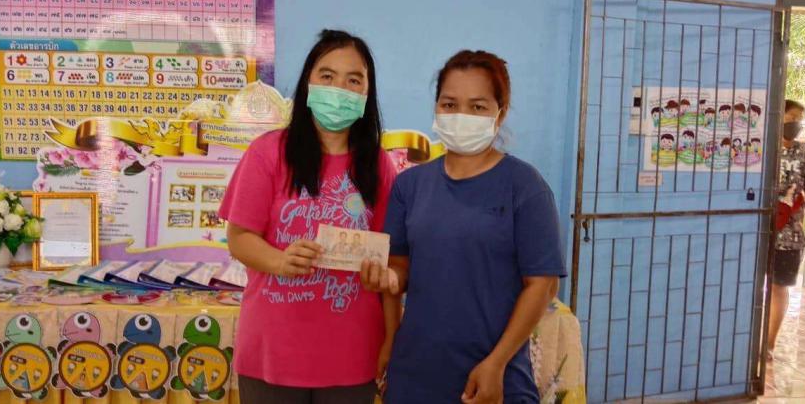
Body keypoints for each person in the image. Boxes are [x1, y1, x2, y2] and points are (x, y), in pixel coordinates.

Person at [361, 50, 565, 403]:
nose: (461, 116)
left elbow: (543, 285)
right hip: (414, 375)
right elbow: (399, 268)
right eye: (450, 104)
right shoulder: (410, 185)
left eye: (478, 107)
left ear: (500, 113)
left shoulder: (525, 187)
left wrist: (496, 363)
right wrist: (388, 285)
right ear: (437, 108)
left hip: (492, 377)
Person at [219, 29, 397, 403]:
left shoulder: (379, 166)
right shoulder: (267, 153)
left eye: (354, 80)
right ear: (308, 83)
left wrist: (391, 331)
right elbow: (239, 237)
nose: (339, 89)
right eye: (327, 76)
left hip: (353, 354)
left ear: (367, 93)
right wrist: (280, 261)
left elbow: (392, 256)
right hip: (273, 351)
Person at [768, 100, 805, 361]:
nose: (797, 123)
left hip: (789, 236)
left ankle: (769, 343)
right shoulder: (761, 146)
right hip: (756, 232)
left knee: (779, 287)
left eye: (800, 118)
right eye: (792, 117)